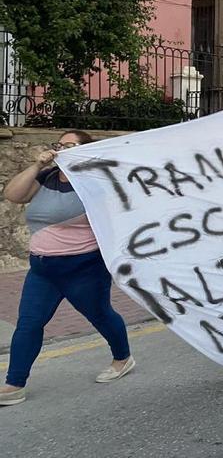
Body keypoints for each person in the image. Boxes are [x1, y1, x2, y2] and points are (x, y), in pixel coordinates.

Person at [0, 130, 135, 407]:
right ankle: (14, 385)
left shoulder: (95, 185)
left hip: (83, 267)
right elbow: (12, 195)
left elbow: (119, 219)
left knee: (100, 315)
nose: (60, 149)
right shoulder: (45, 177)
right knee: (29, 323)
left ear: (83, 151)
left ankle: (123, 358)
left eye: (69, 146)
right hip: (42, 269)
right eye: (58, 145)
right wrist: (38, 164)